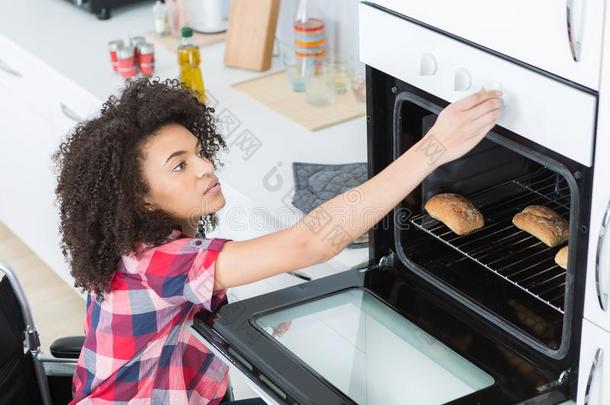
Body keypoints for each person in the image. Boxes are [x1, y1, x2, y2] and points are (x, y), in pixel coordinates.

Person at [53, 77, 502, 404]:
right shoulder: (157, 264)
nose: (205, 167)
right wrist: (434, 147)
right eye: (179, 166)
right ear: (141, 199)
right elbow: (310, 243)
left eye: (199, 152)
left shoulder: (152, 241)